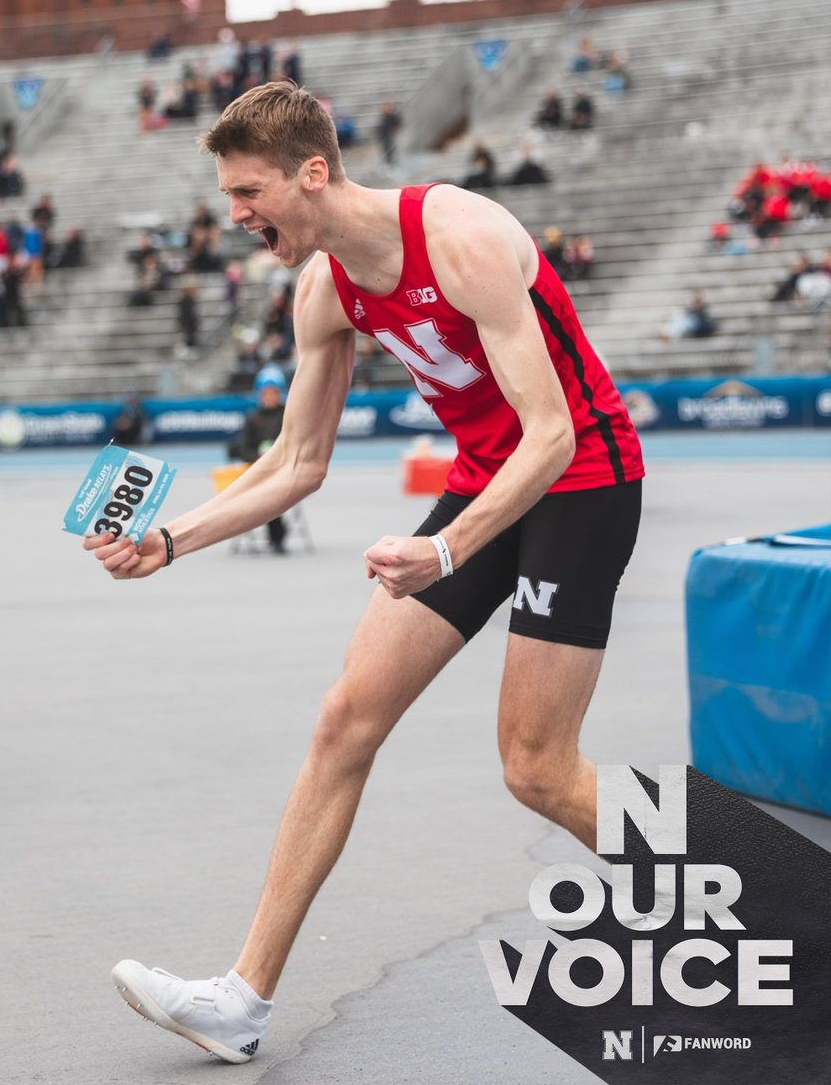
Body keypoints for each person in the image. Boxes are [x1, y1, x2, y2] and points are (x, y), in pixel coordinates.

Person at [84, 81, 644, 1066]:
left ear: (313, 172)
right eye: (228, 196)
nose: (236, 215)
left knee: (537, 769)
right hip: (481, 487)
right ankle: (239, 1000)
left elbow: (552, 434)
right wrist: (167, 542)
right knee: (345, 719)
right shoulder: (324, 290)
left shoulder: (461, 237)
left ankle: (749, 879)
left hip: (583, 481)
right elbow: (298, 462)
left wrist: (445, 548)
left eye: (248, 191)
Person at [228, 366, 289, 553]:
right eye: (266, 393)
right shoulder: (252, 418)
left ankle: (277, 536)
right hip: (258, 470)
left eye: (273, 393)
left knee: (271, 493)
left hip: (283, 471)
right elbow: (243, 449)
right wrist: (258, 457)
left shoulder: (288, 415)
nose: (270, 397)